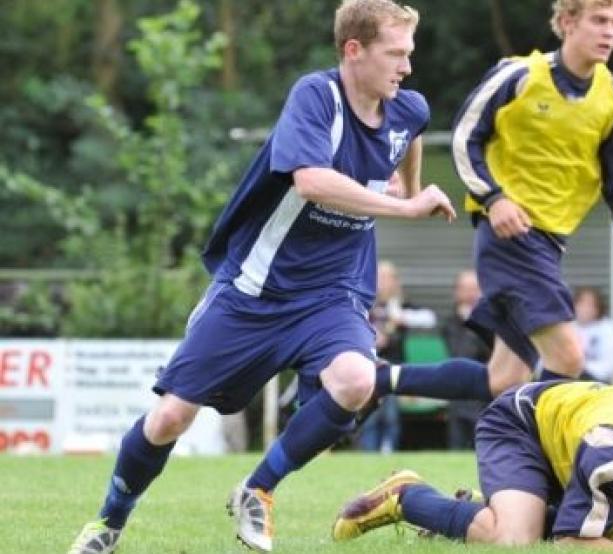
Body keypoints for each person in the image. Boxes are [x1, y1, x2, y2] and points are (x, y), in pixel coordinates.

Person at [67, 1, 455, 552]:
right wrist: (404, 206)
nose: (407, 67)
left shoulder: (406, 107)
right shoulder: (317, 97)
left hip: (332, 294)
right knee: (170, 418)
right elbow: (311, 181)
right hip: (256, 290)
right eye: (395, 53)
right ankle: (108, 523)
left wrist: (409, 188)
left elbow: (413, 127)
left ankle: (258, 488)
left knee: (357, 380)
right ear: (353, 50)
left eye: (409, 54)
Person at [371, 0, 613, 408]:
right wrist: (494, 198)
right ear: (567, 22)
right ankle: (533, 447)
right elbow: (464, 137)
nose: (609, 31)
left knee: (503, 379)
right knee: (568, 358)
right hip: (511, 239)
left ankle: (380, 379)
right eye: (598, 20)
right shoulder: (519, 76)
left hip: (550, 246)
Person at [333, 382, 613, 547]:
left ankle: (477, 506)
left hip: (575, 442)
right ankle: (406, 496)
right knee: (514, 539)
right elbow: (571, 542)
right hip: (523, 425)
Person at [359, 260, 437, 453]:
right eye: (379, 277)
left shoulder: (400, 306)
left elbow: (430, 318)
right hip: (367, 367)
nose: (383, 282)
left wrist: (401, 317)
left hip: (394, 366)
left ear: (395, 281)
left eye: (387, 277)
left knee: (390, 413)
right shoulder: (363, 304)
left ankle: (388, 449)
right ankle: (368, 453)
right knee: (370, 414)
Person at [441, 269, 492, 449]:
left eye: (474, 289)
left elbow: (488, 351)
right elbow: (460, 353)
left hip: (485, 391)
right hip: (458, 392)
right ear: (456, 292)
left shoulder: (493, 322)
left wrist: (474, 323)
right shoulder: (450, 323)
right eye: (465, 289)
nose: (470, 294)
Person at [573, 286, 613, 383]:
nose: (585, 309)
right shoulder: (566, 326)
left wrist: (581, 366)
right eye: (581, 304)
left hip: (596, 381)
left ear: (598, 308)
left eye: (590, 305)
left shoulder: (606, 329)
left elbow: (608, 367)